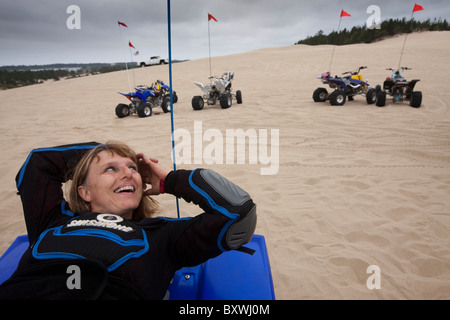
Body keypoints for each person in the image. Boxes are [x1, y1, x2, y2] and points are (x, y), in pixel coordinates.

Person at [0, 141, 256, 299]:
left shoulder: (161, 236)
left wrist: (170, 181)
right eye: (111, 169)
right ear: (84, 192)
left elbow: (238, 213)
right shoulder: (51, 221)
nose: (128, 174)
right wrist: (104, 150)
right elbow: (39, 162)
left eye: (133, 169)